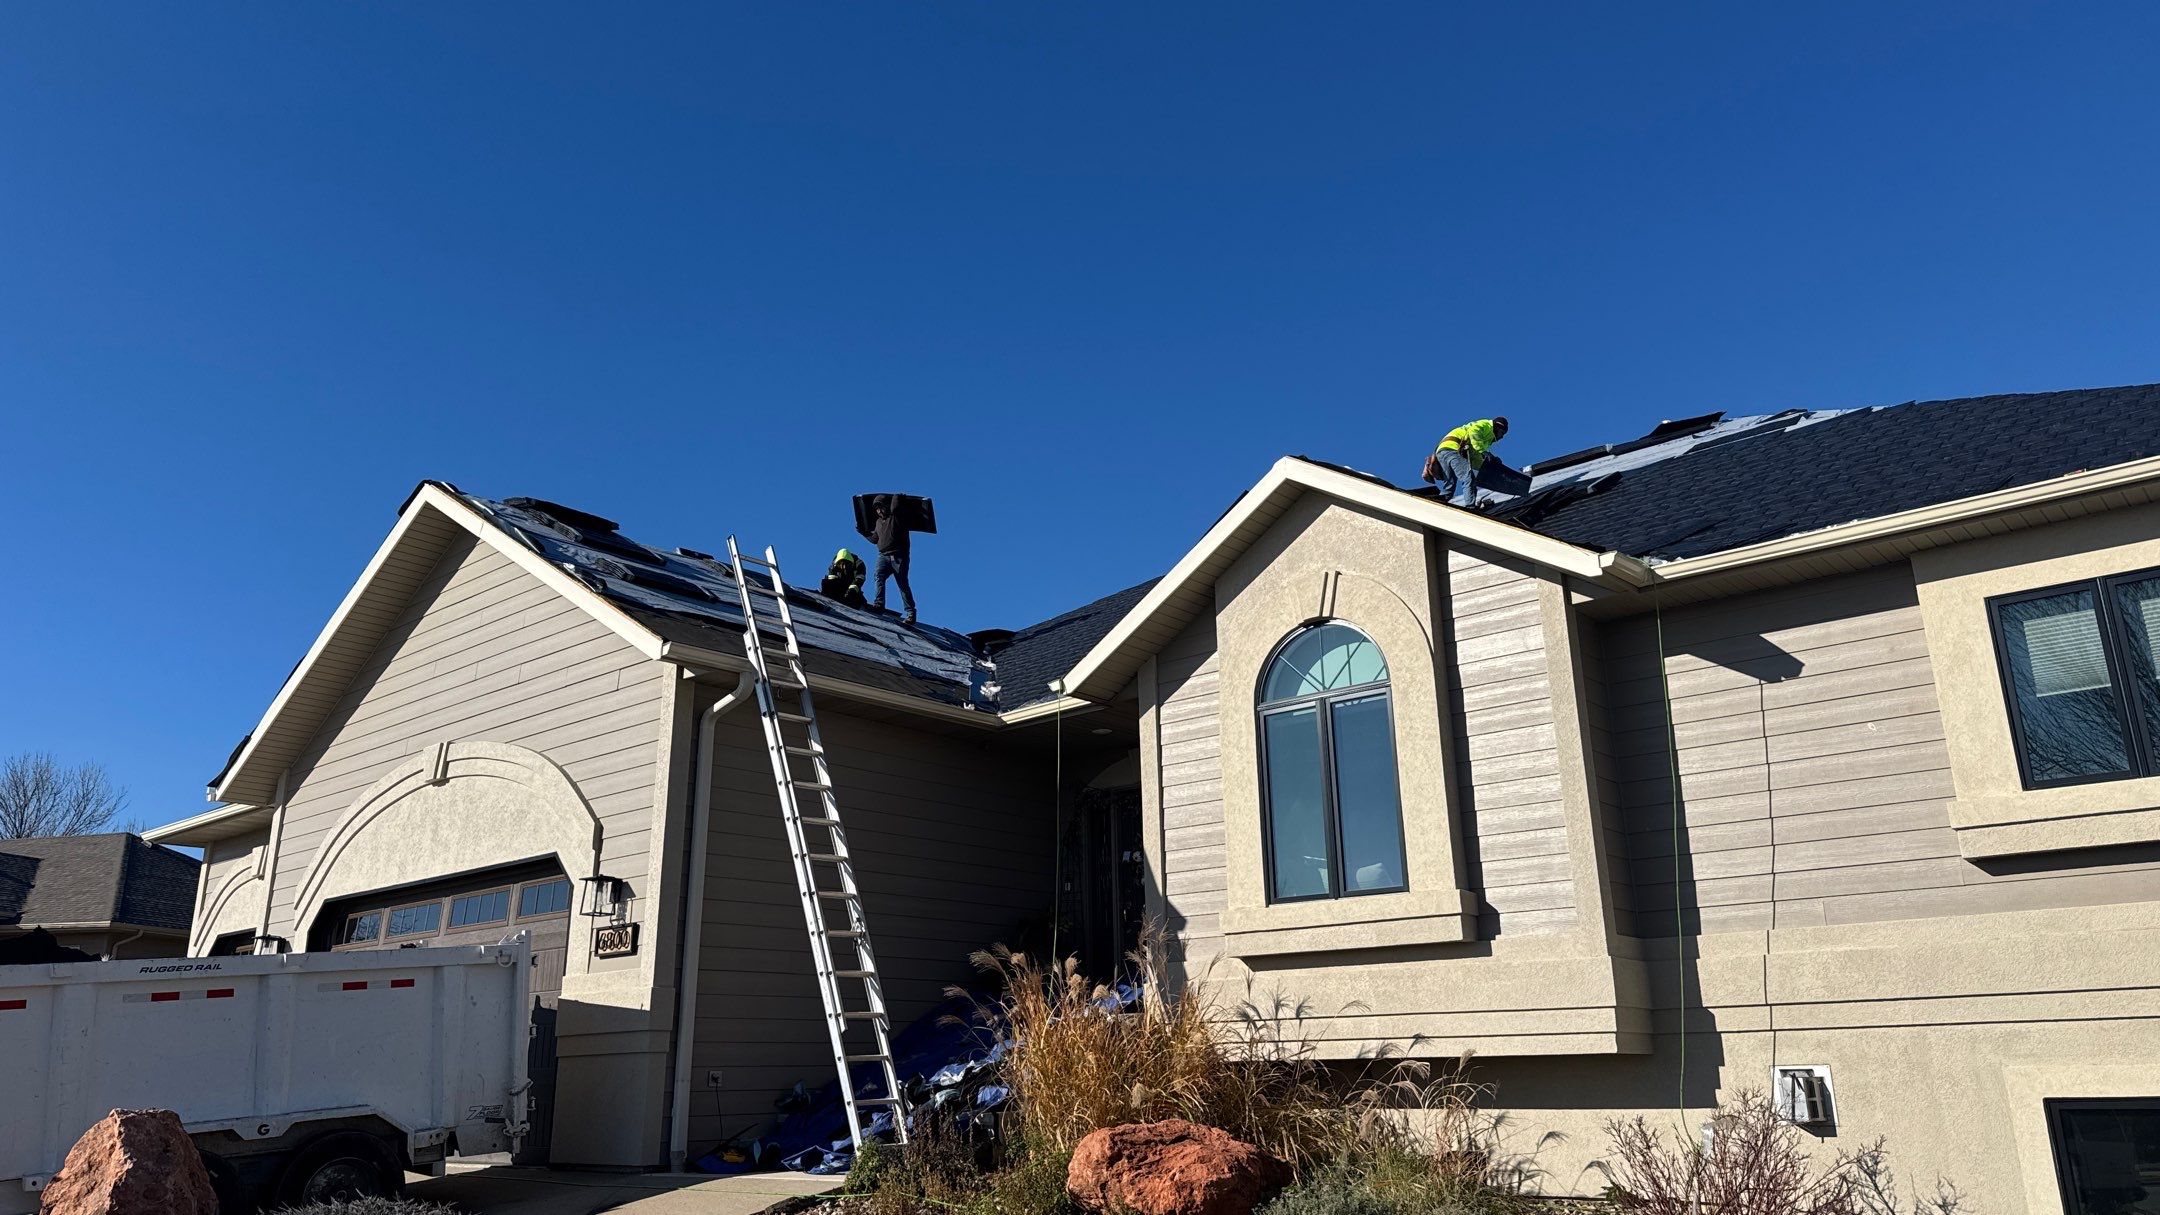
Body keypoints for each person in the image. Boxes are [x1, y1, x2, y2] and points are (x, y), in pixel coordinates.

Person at [1423, 416, 1510, 508]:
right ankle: (1470, 507)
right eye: (1502, 433)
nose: (1502, 437)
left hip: (1442, 450)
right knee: (1468, 478)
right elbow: (1475, 432)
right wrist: (1485, 453)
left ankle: (1438, 501)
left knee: (1450, 483)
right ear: (1497, 427)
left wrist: (1487, 466)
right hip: (1453, 448)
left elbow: (1475, 457)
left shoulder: (1480, 440)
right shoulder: (1486, 425)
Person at [868, 495, 916, 623]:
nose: (879, 511)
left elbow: (895, 506)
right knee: (878, 576)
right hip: (883, 555)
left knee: (902, 583)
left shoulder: (896, 516)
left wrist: (896, 496)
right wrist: (864, 533)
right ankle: (879, 604)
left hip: (899, 556)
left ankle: (910, 612)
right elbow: (874, 539)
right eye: (877, 509)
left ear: (886, 506)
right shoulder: (879, 522)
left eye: (881, 507)